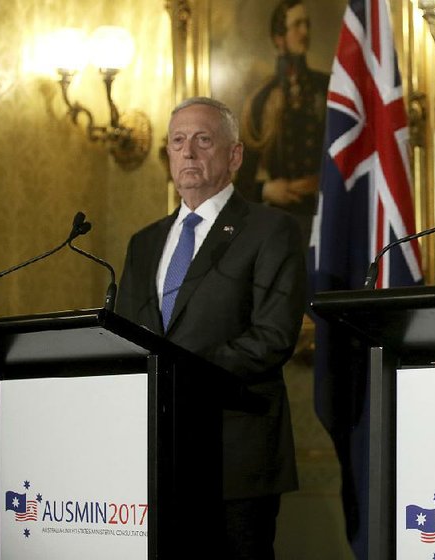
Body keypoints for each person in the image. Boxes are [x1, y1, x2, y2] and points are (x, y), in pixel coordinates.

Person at [116, 97, 306, 559]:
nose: (189, 152)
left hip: (234, 459)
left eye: (203, 140)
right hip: (158, 459)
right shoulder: (144, 243)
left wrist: (176, 375)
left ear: (234, 156)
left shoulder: (271, 230)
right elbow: (126, 339)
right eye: (177, 142)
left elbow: (273, 337)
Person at [236, 0, 329, 248]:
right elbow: (243, 181)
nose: (305, 32)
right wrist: (266, 190)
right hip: (278, 226)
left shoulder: (328, 88)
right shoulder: (262, 99)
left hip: (326, 218)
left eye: (307, 24)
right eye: (297, 25)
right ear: (279, 38)